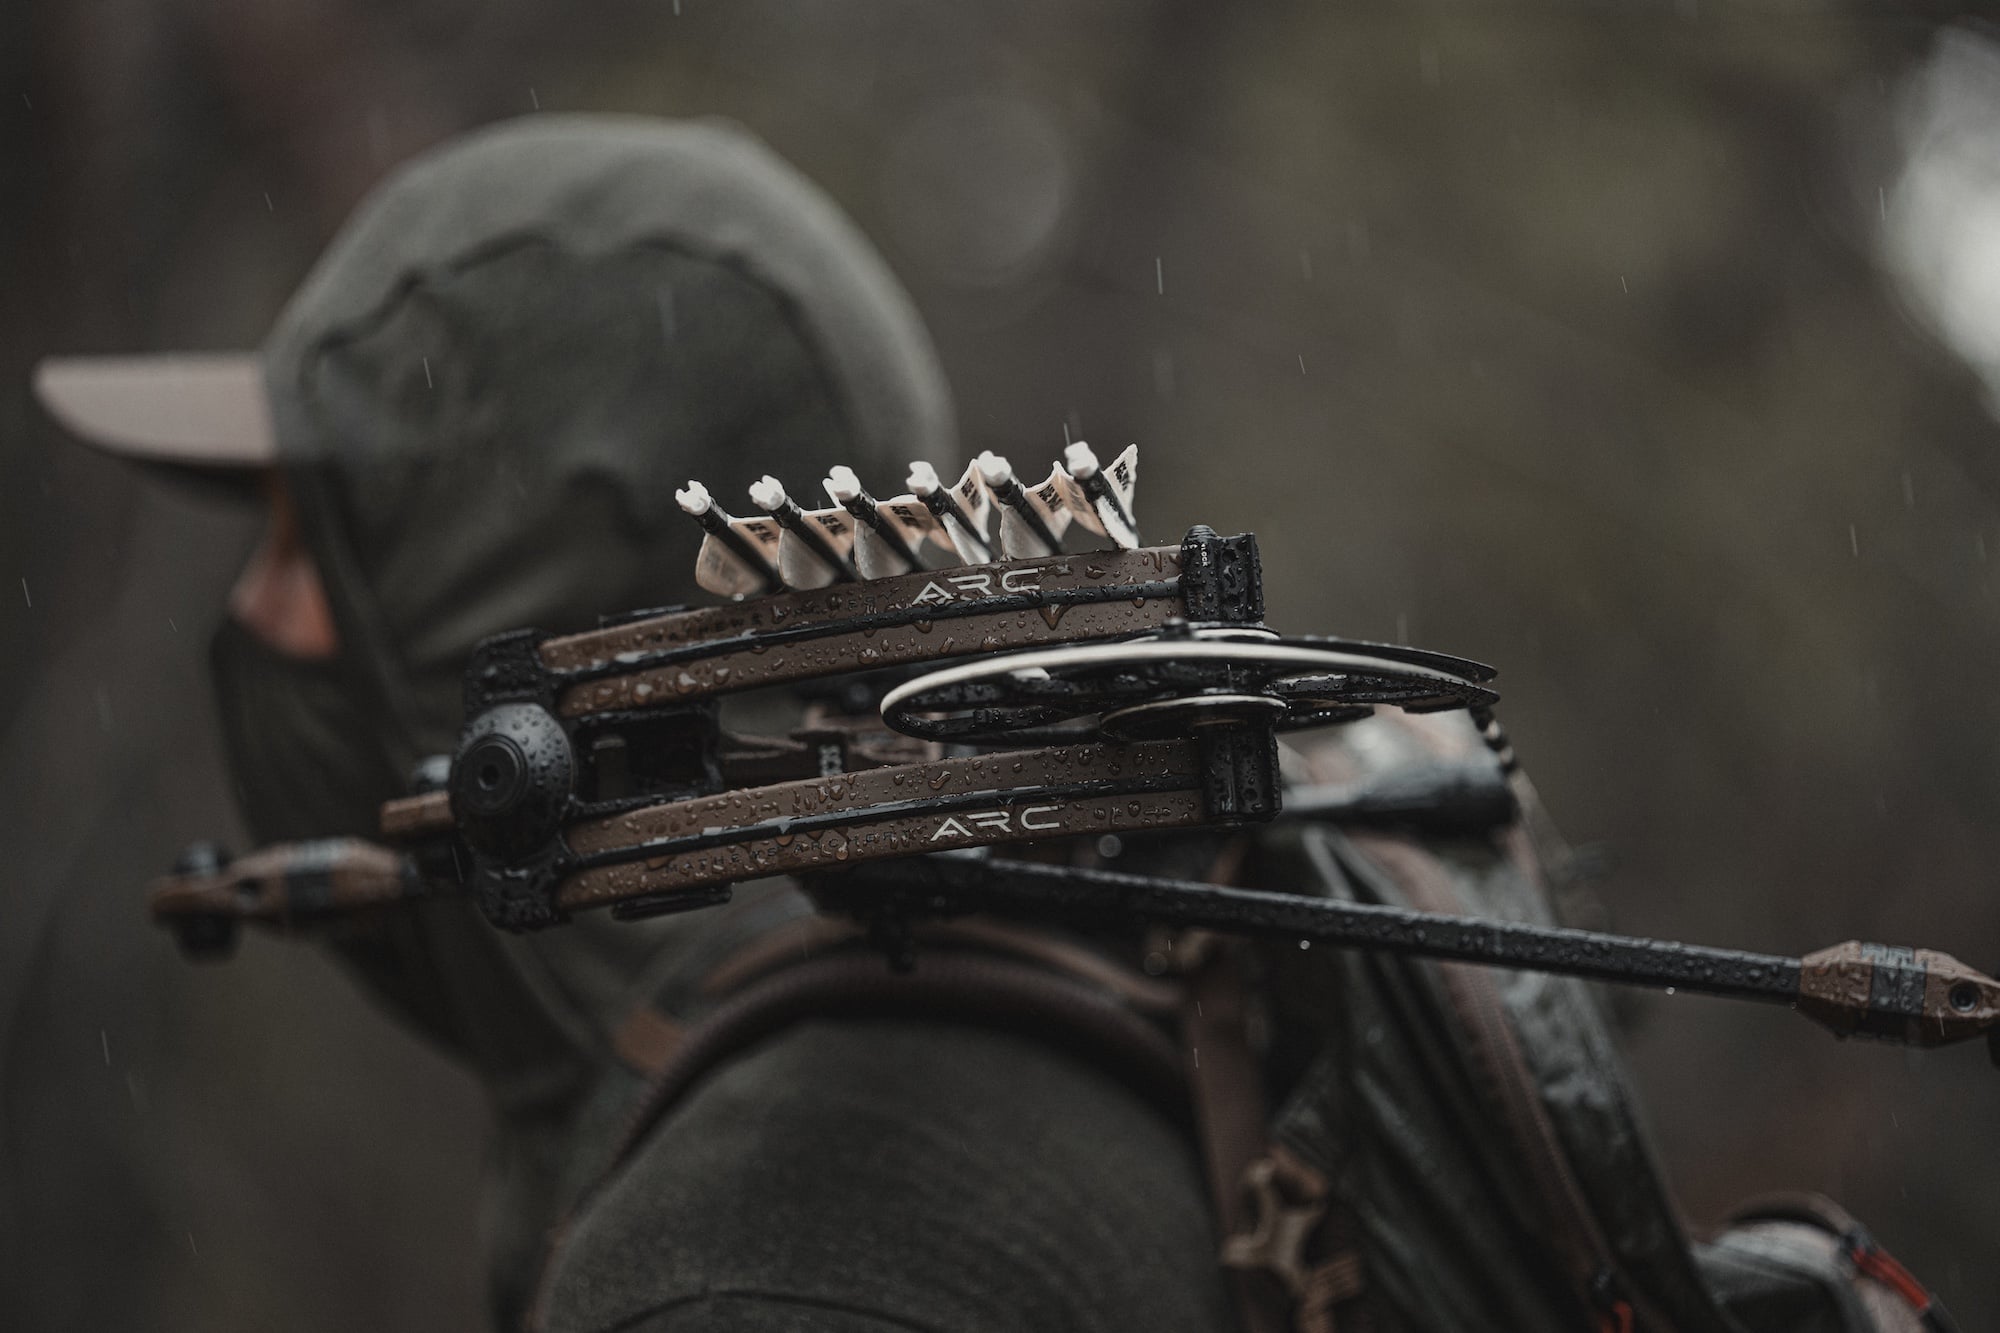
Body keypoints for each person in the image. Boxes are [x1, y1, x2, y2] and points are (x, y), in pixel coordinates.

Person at [37, 114, 1950, 1333]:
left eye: (305, 535)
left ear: (494, 592)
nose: (246, 616)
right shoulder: (915, 1062)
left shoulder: (759, 1261)